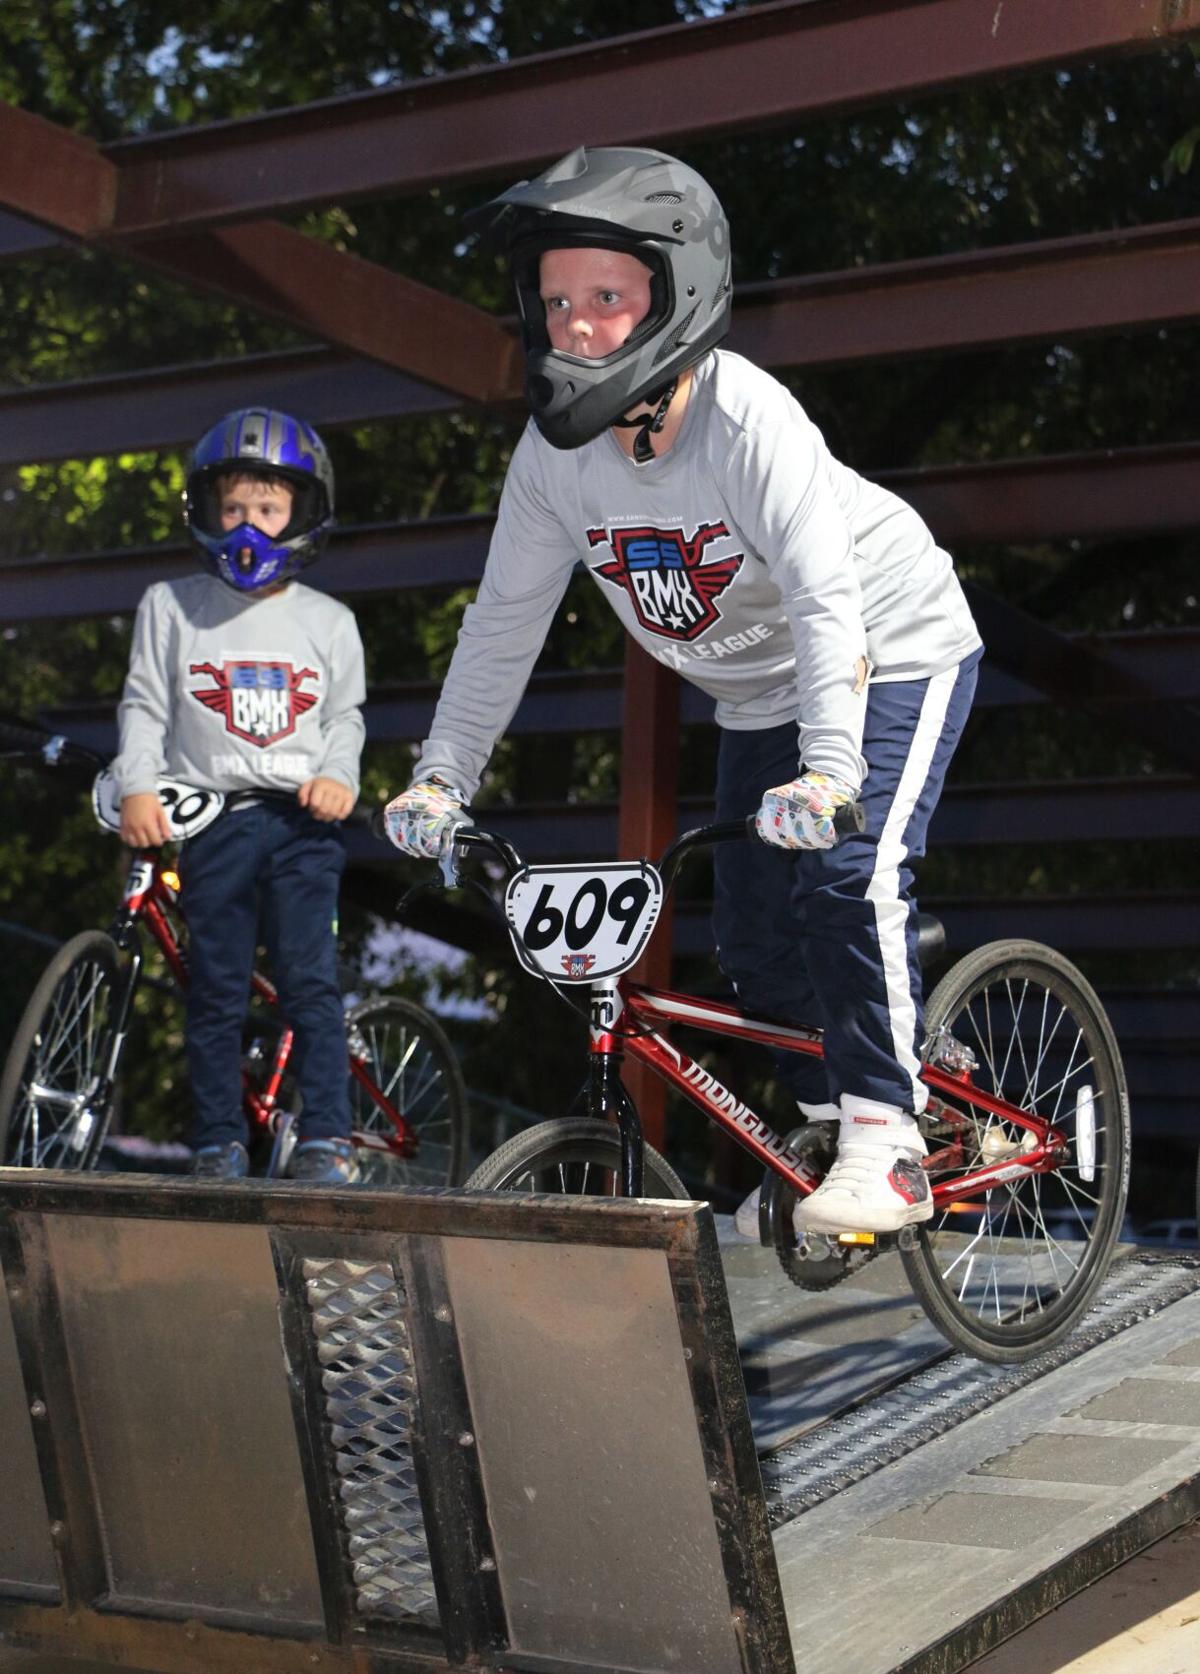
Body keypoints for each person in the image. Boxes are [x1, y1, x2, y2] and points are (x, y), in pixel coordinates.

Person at [385, 147, 983, 1235]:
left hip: (888, 643)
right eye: (556, 299)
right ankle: (825, 1130)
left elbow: (820, 597)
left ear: (676, 292)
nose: (574, 325)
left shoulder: (749, 423)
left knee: (843, 878)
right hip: (760, 696)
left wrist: (834, 770)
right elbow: (503, 626)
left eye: (607, 299)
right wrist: (440, 780)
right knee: (753, 943)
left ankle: (887, 1139)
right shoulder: (554, 463)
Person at [111, 408, 367, 1184]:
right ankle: (218, 1139)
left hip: (300, 824)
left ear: (303, 512)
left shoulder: (329, 621)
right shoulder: (172, 605)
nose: (248, 525)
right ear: (205, 512)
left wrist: (338, 778)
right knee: (214, 988)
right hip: (214, 822)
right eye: (233, 508)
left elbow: (344, 719)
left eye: (267, 508)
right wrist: (136, 787)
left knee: (307, 981)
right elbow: (145, 706)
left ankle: (328, 1135)